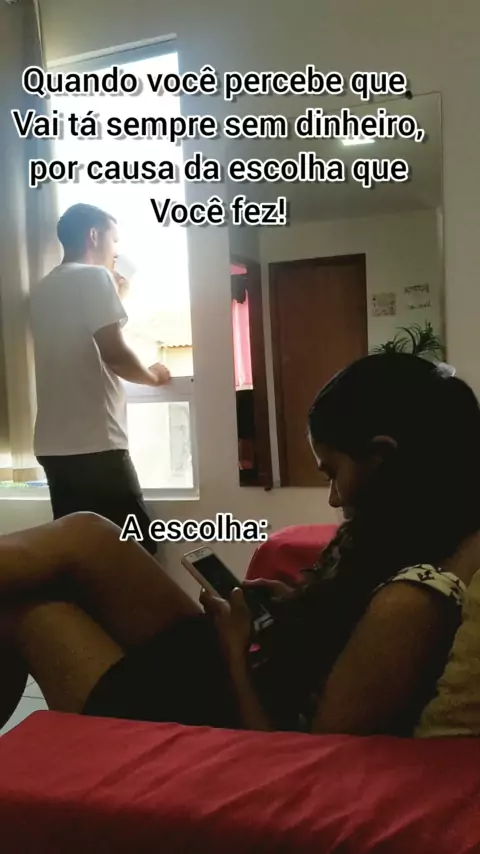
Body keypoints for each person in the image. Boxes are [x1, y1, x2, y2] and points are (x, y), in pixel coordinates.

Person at [1, 352, 480, 736]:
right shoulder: (420, 529)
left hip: (229, 715)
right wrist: (295, 608)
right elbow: (347, 636)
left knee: (27, 606)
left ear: (382, 456)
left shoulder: (410, 604)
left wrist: (234, 654)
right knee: (87, 533)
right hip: (255, 671)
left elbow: (307, 763)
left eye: (333, 473)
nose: (334, 497)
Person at [30, 203, 170, 555]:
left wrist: (115, 297)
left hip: (53, 447)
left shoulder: (43, 288)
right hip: (95, 444)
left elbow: (77, 338)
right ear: (93, 235)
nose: (116, 251)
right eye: (114, 239)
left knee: (78, 551)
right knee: (137, 547)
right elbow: (115, 353)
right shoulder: (95, 277)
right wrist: (153, 377)